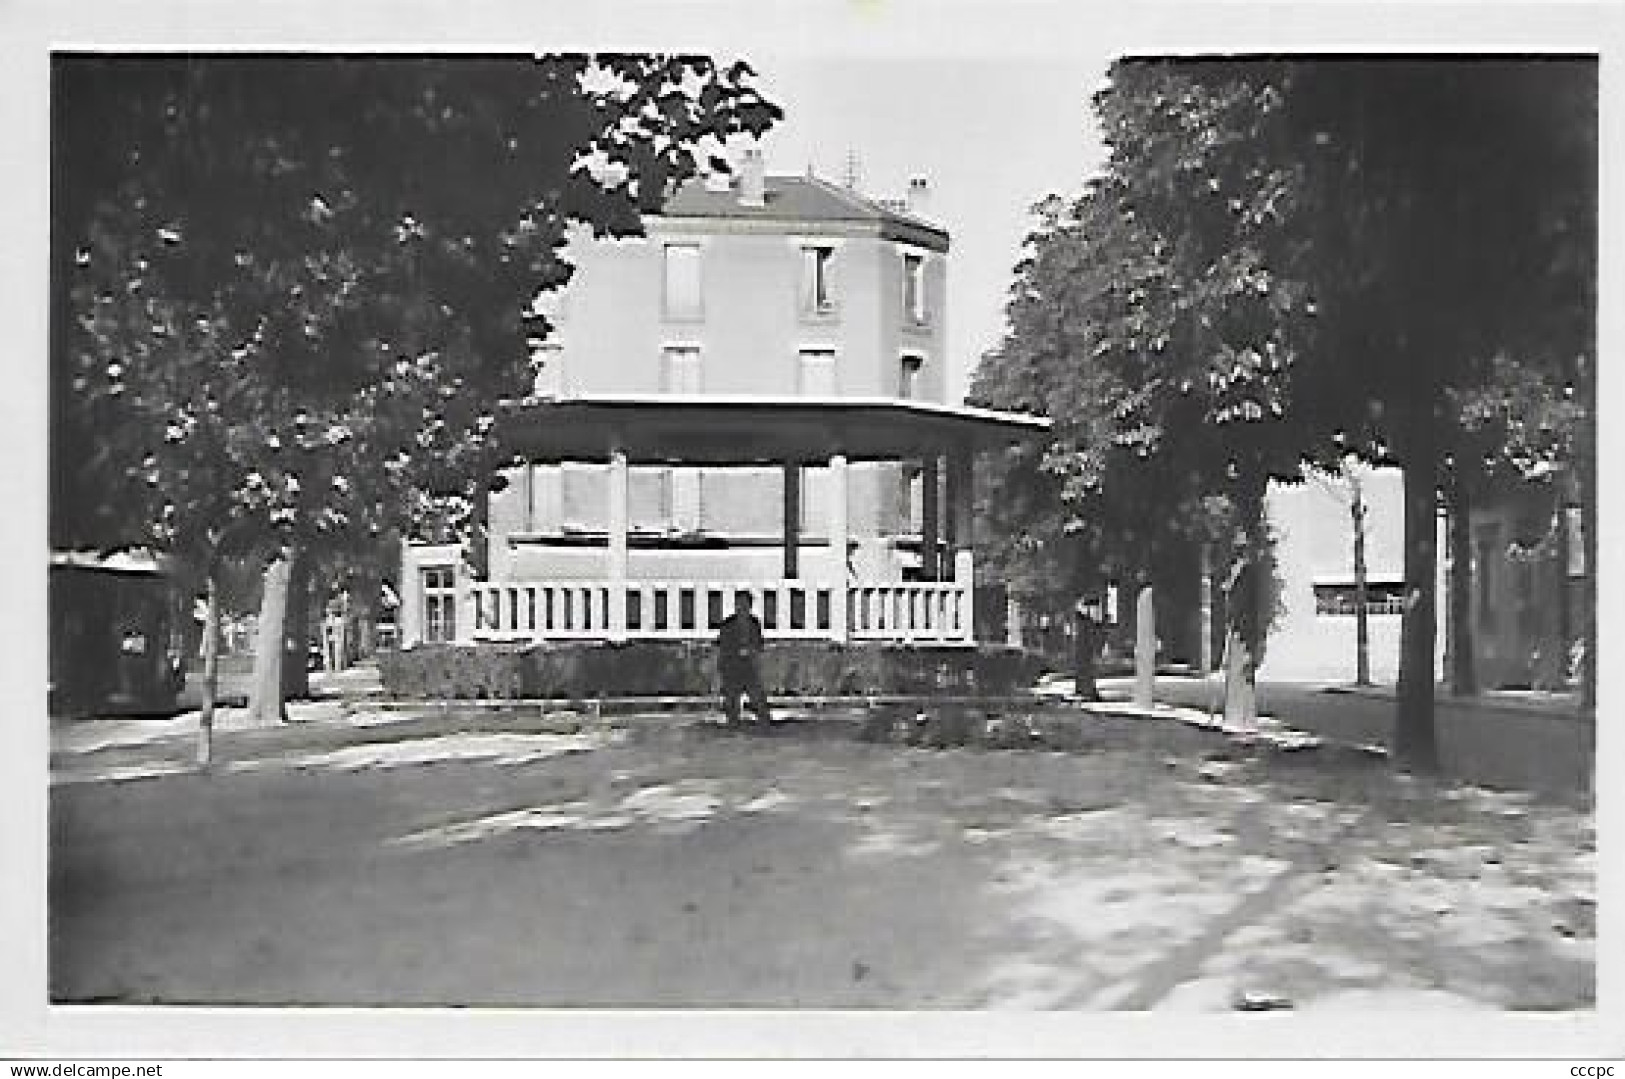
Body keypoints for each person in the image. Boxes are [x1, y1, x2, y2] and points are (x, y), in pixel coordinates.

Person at [716, 591, 771, 726]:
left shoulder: (754, 623)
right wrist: (736, 653)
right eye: (739, 604)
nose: (742, 607)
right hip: (732, 668)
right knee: (732, 703)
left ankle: (765, 725)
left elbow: (758, 643)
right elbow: (723, 645)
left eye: (745, 604)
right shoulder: (728, 624)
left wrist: (751, 651)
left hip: (749, 668)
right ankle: (732, 725)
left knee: (759, 701)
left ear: (750, 606)